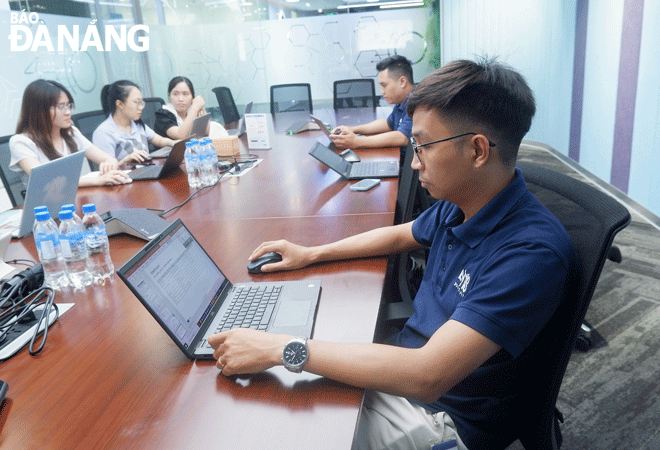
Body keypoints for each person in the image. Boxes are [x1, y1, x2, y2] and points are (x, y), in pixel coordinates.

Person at [208, 58, 579, 450]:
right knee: (273, 399)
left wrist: (280, 348)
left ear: (477, 150)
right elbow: (401, 235)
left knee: (274, 424)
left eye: (424, 146)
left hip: (440, 419)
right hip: (404, 375)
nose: (414, 160)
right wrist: (312, 253)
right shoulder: (466, 200)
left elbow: (427, 374)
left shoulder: (531, 254)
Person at [9, 79, 132, 187]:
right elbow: (45, 179)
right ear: (40, 110)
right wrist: (97, 180)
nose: (68, 112)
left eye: (68, 105)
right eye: (61, 106)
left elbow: (108, 158)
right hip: (45, 210)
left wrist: (109, 164)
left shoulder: (71, 133)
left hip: (77, 200)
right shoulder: (21, 142)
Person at [330, 55, 415, 162]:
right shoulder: (403, 101)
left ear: (402, 82)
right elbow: (388, 123)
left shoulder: (415, 103)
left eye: (384, 85)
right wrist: (353, 129)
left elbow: (402, 137)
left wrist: (357, 142)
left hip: (408, 168)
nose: (382, 91)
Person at [93, 80, 175, 160]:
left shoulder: (137, 124)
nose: (141, 108)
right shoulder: (103, 133)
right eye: (136, 102)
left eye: (141, 103)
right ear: (120, 104)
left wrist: (176, 143)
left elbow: (160, 140)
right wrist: (126, 161)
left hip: (145, 169)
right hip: (125, 173)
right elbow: (108, 170)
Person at [154, 76, 227, 140]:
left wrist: (202, 111)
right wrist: (195, 108)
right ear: (169, 96)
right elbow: (181, 136)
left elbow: (207, 132)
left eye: (185, 94)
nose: (180, 99)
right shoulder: (163, 115)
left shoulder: (190, 112)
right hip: (168, 155)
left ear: (192, 98)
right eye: (175, 94)